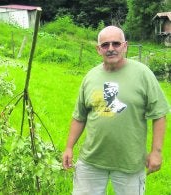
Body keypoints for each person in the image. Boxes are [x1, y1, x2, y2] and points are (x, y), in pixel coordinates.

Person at [62, 26, 170, 195]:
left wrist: (156, 152)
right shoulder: (90, 77)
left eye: (116, 43)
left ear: (125, 46)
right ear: (98, 49)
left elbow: (159, 114)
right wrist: (69, 147)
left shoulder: (143, 74)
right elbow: (79, 117)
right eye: (105, 45)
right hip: (91, 161)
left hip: (130, 163)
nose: (111, 48)